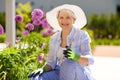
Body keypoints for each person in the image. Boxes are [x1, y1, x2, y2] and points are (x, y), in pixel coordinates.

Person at [29, 4, 95, 80]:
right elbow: (51, 63)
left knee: (68, 64)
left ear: (74, 20)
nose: (64, 21)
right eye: (61, 17)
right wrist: (43, 69)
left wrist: (75, 56)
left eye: (68, 17)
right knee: (36, 78)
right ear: (58, 20)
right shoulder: (54, 38)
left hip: (77, 73)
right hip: (59, 72)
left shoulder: (82, 35)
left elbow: (90, 60)